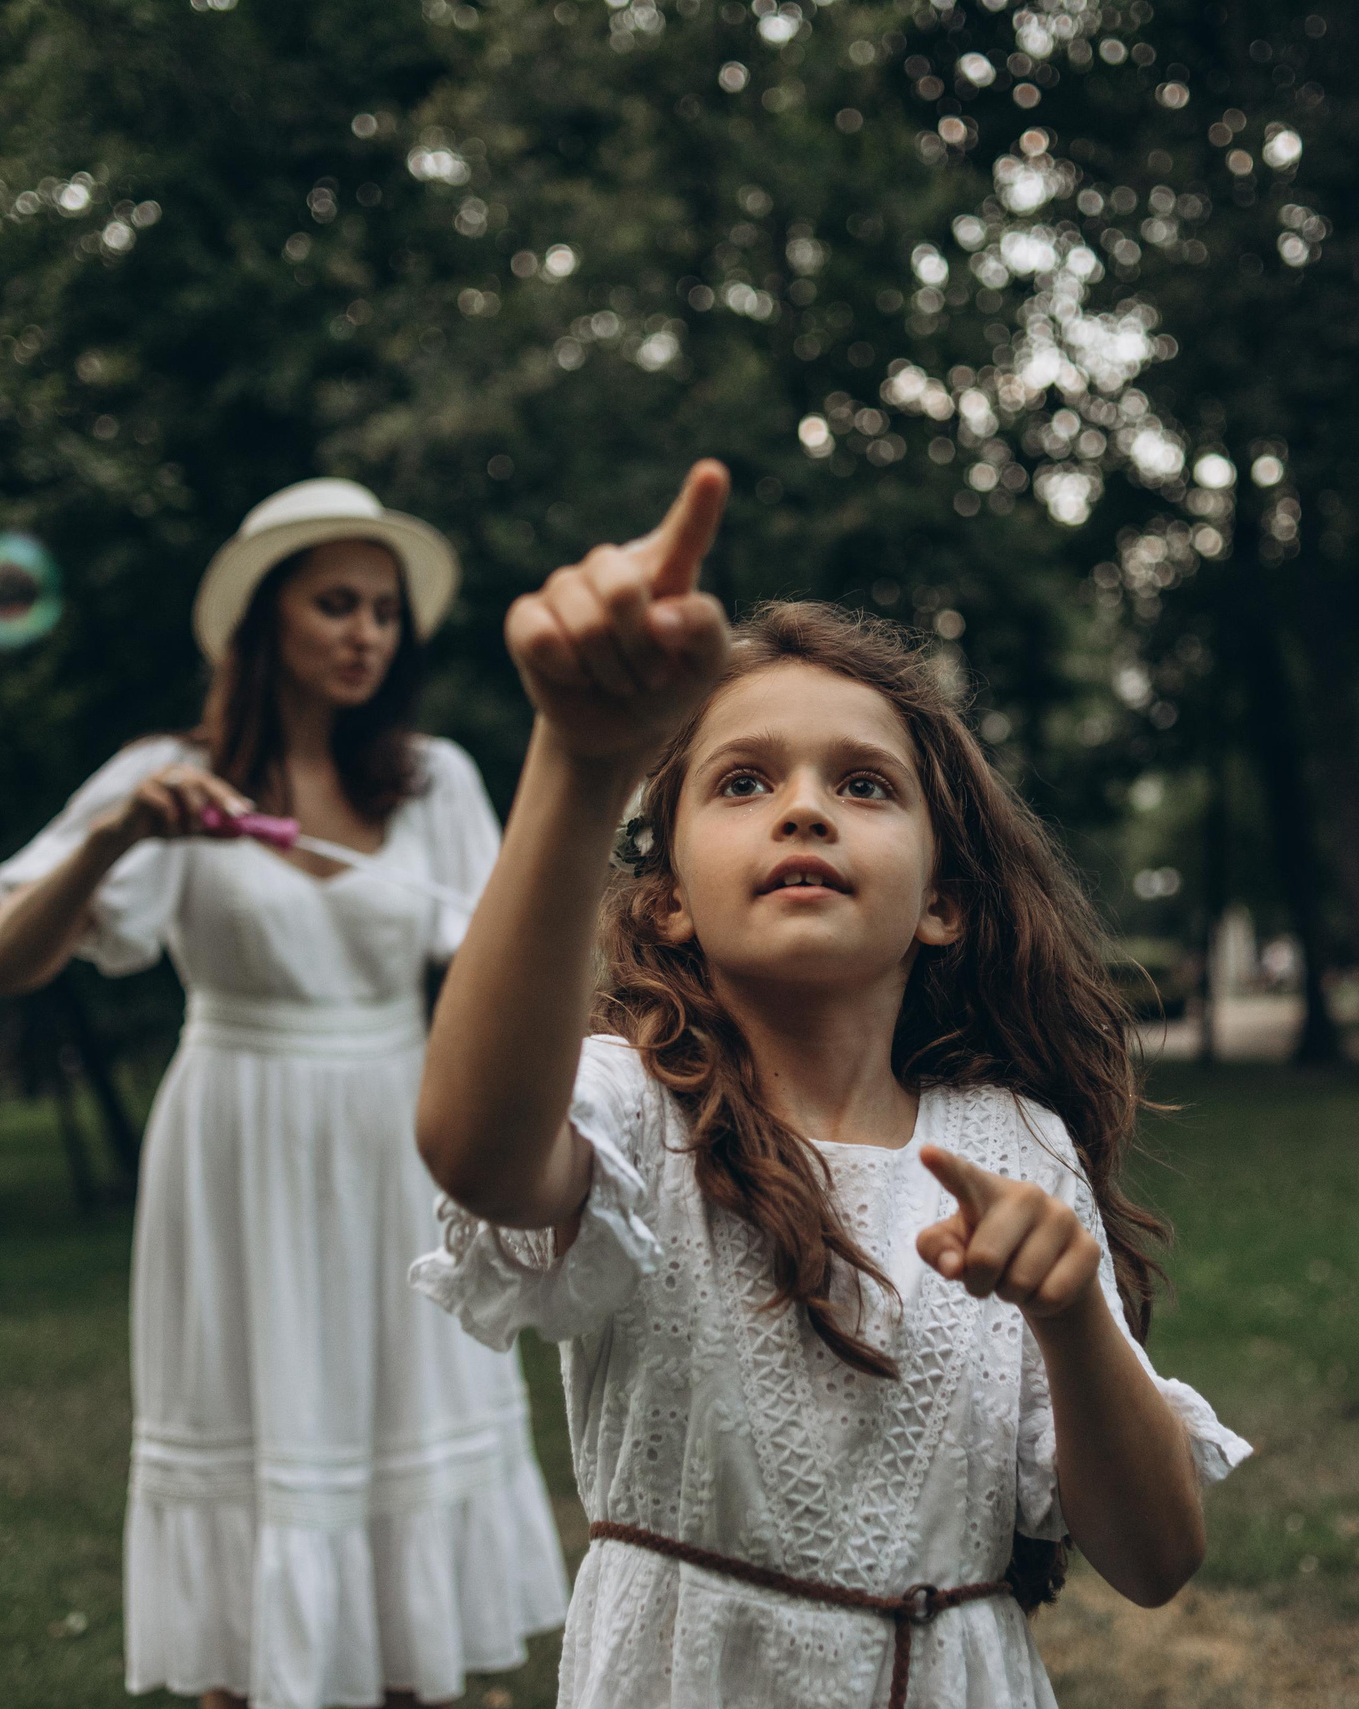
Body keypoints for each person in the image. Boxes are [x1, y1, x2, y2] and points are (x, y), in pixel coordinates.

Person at [410, 461, 1247, 1708]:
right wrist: (579, 762)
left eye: (863, 783)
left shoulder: (1016, 1142)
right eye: (743, 781)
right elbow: (476, 1148)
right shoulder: (633, 1110)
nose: (803, 807)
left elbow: (1156, 1557)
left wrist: (1072, 1313)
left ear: (942, 901)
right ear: (669, 898)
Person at [0, 478, 569, 1709]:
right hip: (236, 1135)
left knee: (398, 1426)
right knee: (256, 1432)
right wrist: (116, 837)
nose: (366, 633)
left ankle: (405, 1681)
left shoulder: (434, 781)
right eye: (335, 604)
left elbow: (510, 961)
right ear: (264, 619)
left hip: (398, 1131)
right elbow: (4, 961)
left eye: (385, 611)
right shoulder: (167, 778)